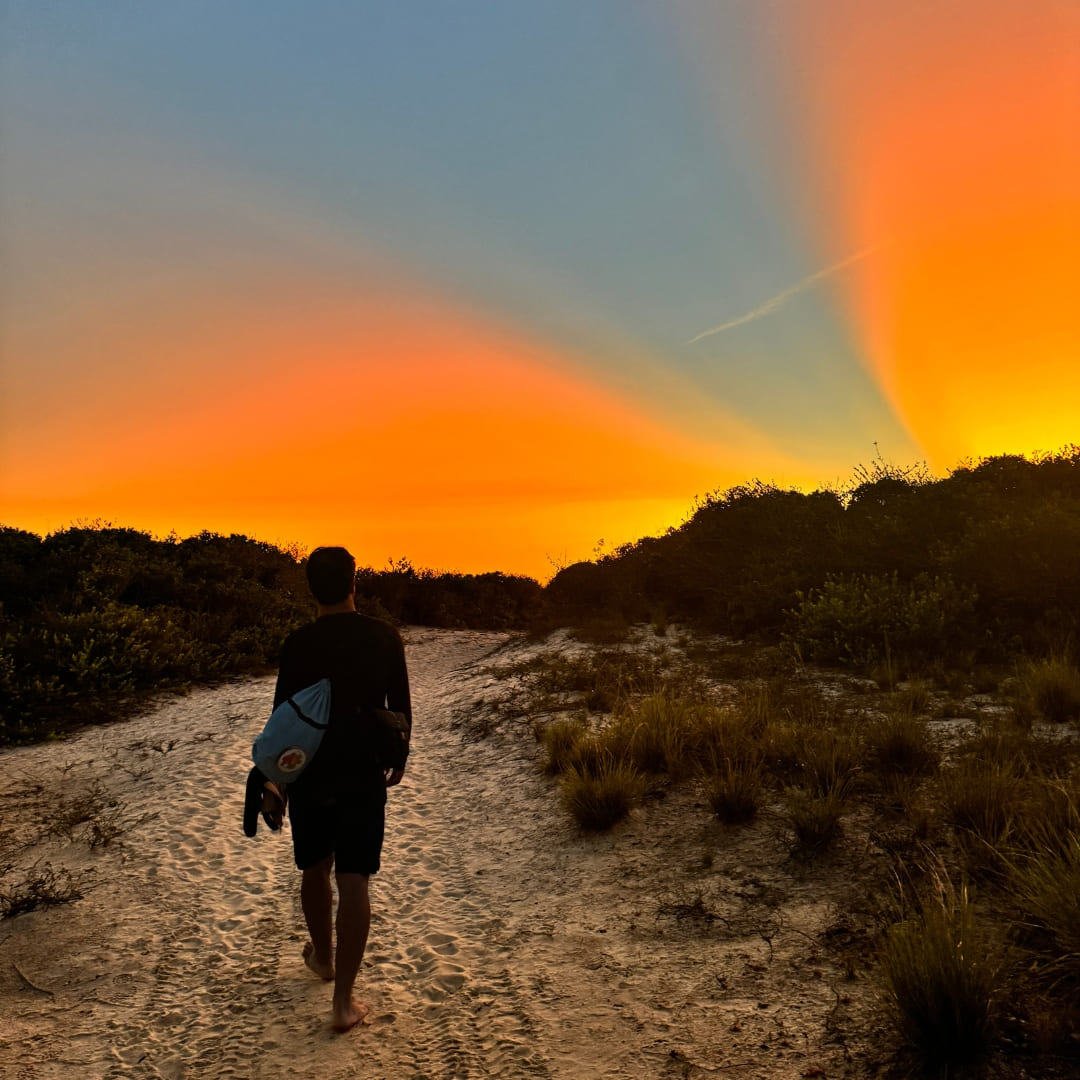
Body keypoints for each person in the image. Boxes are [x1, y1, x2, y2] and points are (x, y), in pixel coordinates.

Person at [272, 546, 411, 1031]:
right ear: (355, 582)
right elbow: (400, 708)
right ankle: (343, 1003)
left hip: (311, 770)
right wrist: (398, 759)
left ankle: (324, 960)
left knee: (315, 868)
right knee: (354, 881)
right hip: (363, 768)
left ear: (312, 587)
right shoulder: (383, 637)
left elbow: (283, 719)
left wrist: (279, 781)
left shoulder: (297, 644)